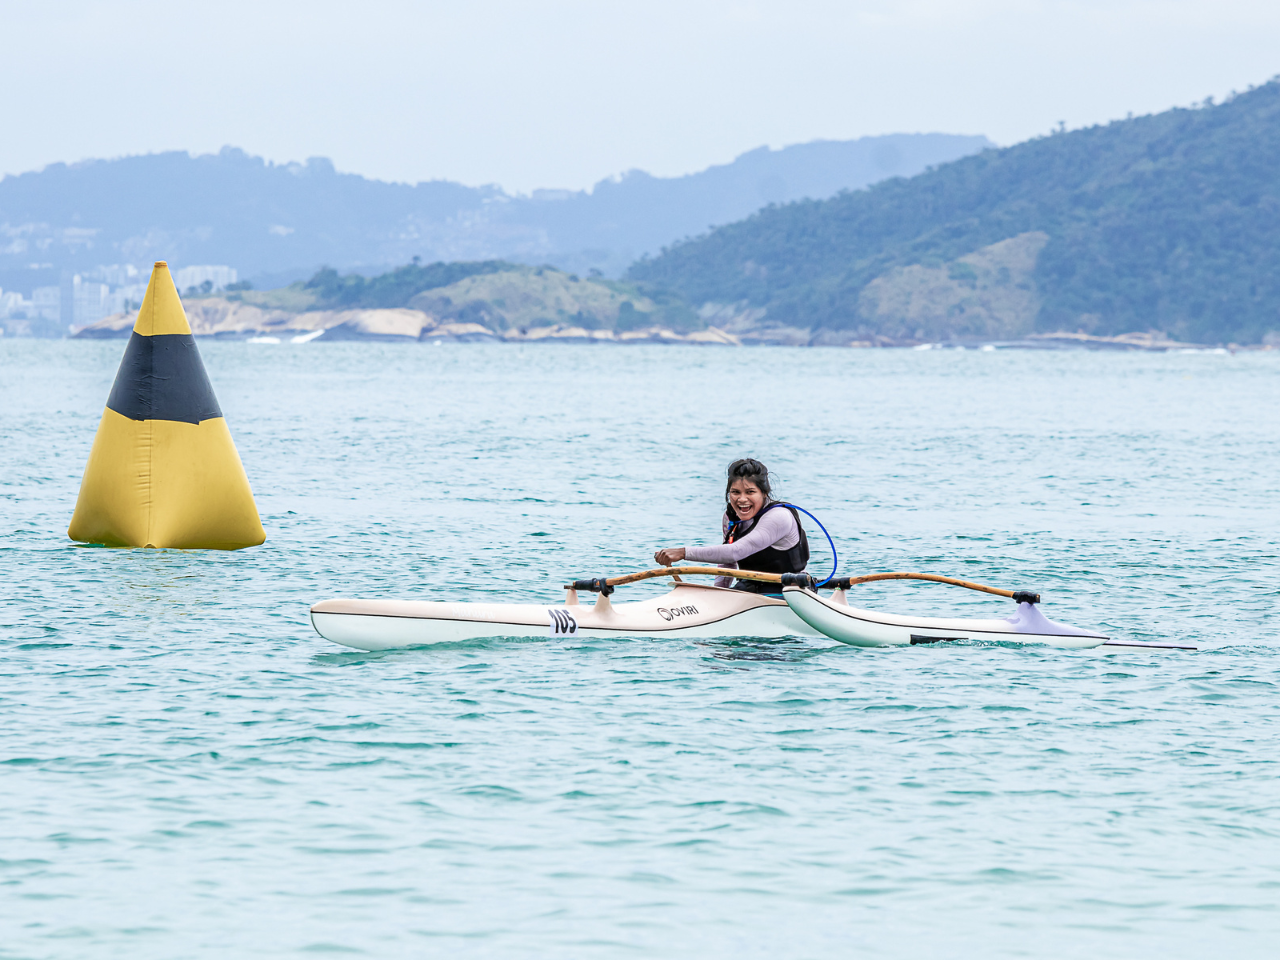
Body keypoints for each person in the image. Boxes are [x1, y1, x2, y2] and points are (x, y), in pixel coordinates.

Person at [653, 458, 809, 593]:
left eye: (750, 492)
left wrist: (683, 553)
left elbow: (735, 552)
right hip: (751, 589)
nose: (741, 499)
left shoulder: (778, 517)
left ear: (764, 493)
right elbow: (727, 562)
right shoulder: (730, 518)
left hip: (790, 592)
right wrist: (720, 593)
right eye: (735, 492)